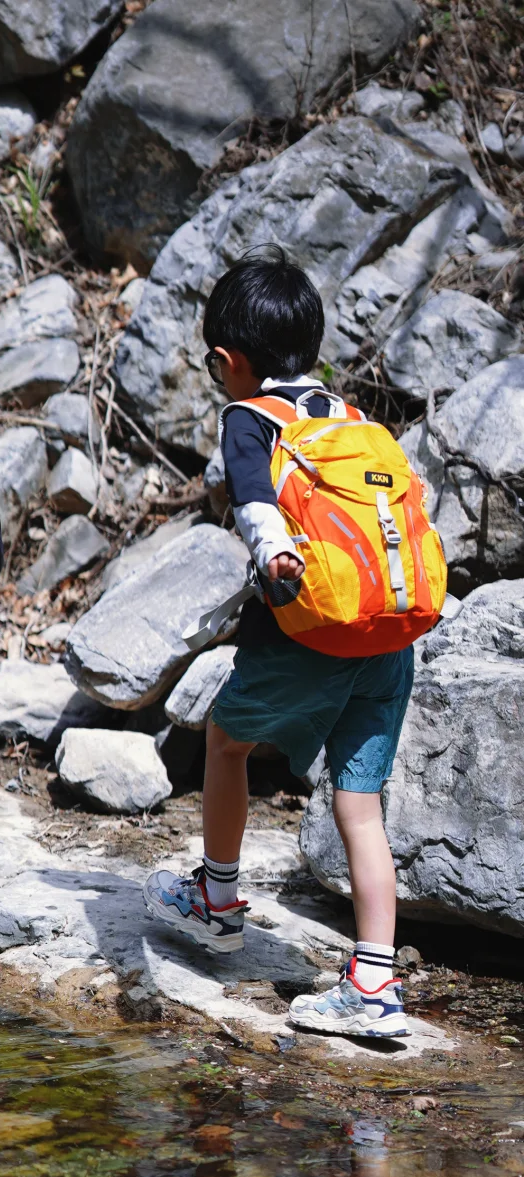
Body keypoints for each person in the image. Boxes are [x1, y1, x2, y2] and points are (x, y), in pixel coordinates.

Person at [143, 248, 416, 1039]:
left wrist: (274, 554)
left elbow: (255, 500)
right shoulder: (355, 420)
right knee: (358, 804)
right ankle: (374, 981)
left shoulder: (250, 418)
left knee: (226, 743)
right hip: (387, 636)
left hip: (309, 629)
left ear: (231, 362)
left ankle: (218, 901)